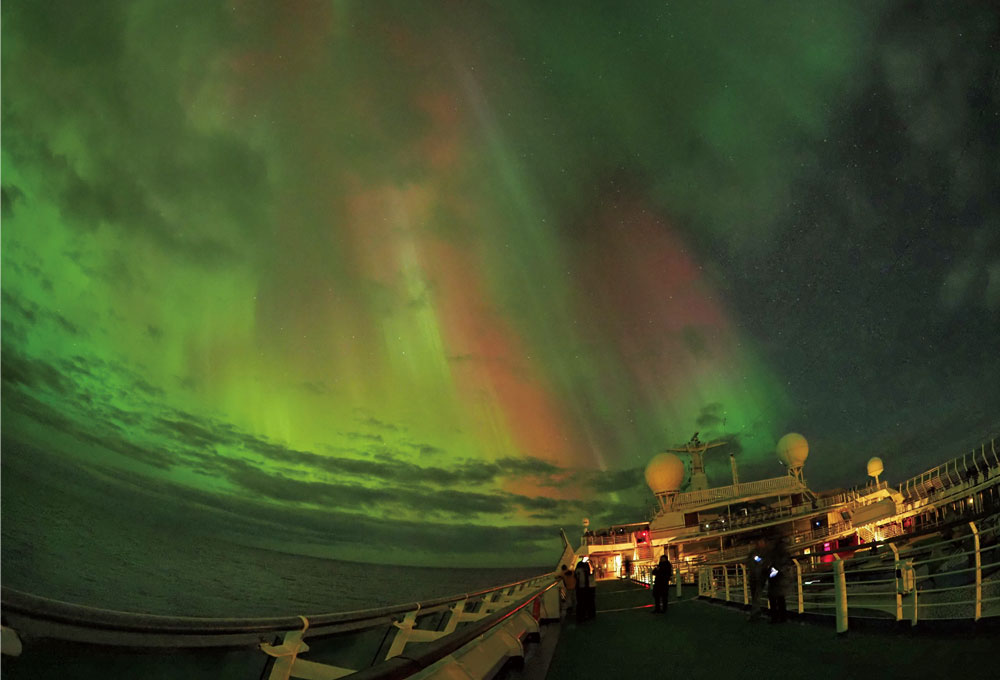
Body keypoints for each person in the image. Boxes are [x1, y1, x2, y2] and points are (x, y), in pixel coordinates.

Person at [766, 535, 791, 624]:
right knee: (780, 598)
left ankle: (775, 618)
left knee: (774, 598)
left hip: (776, 576)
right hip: (780, 576)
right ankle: (782, 617)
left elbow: (775, 564)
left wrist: (773, 572)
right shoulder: (782, 551)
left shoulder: (775, 552)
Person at [744, 536, 768, 622]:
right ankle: (756, 613)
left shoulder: (761, 552)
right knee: (755, 596)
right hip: (755, 576)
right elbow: (750, 561)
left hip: (759, 576)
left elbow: (763, 562)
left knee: (756, 596)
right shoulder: (757, 552)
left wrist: (756, 559)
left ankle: (755, 614)